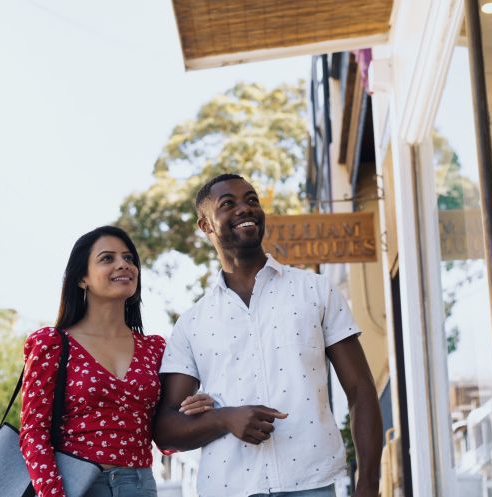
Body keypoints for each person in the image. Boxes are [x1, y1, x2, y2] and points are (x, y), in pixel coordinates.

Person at [154, 174, 383, 497]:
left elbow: (360, 390)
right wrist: (224, 419)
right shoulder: (192, 322)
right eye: (228, 204)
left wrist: (368, 486)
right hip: (228, 487)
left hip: (312, 484)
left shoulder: (315, 290)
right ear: (205, 225)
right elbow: (165, 429)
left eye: (251, 200)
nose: (245, 209)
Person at [19, 225, 213, 497]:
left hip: (140, 486)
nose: (124, 265)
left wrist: (191, 414)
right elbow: (33, 433)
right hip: (76, 487)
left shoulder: (155, 348)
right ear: (81, 279)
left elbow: (165, 442)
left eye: (129, 258)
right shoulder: (51, 343)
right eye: (107, 258)